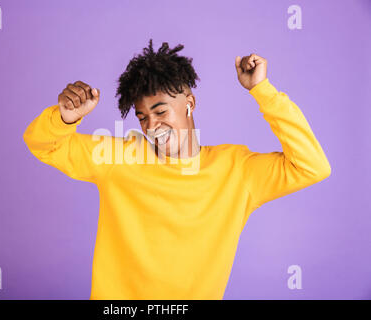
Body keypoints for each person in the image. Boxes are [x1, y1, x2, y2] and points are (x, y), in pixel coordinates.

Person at [22, 39, 331, 300]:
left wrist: (262, 91)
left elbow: (311, 166)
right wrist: (63, 119)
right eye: (142, 117)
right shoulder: (118, 158)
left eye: (160, 111)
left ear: (189, 103)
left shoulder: (236, 170)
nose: (152, 126)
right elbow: (43, 145)